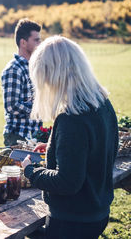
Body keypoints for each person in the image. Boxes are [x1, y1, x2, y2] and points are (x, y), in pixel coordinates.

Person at [21, 36, 119, 239]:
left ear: (53, 75)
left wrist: (31, 171)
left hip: (73, 221)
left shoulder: (72, 118)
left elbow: (67, 182)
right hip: (96, 213)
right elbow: (94, 150)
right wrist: (54, 147)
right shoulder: (101, 103)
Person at [1, 18, 43, 146]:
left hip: (34, 135)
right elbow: (12, 105)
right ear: (23, 43)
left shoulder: (34, 68)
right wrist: (38, 107)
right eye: (36, 40)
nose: (40, 43)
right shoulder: (14, 70)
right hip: (18, 137)